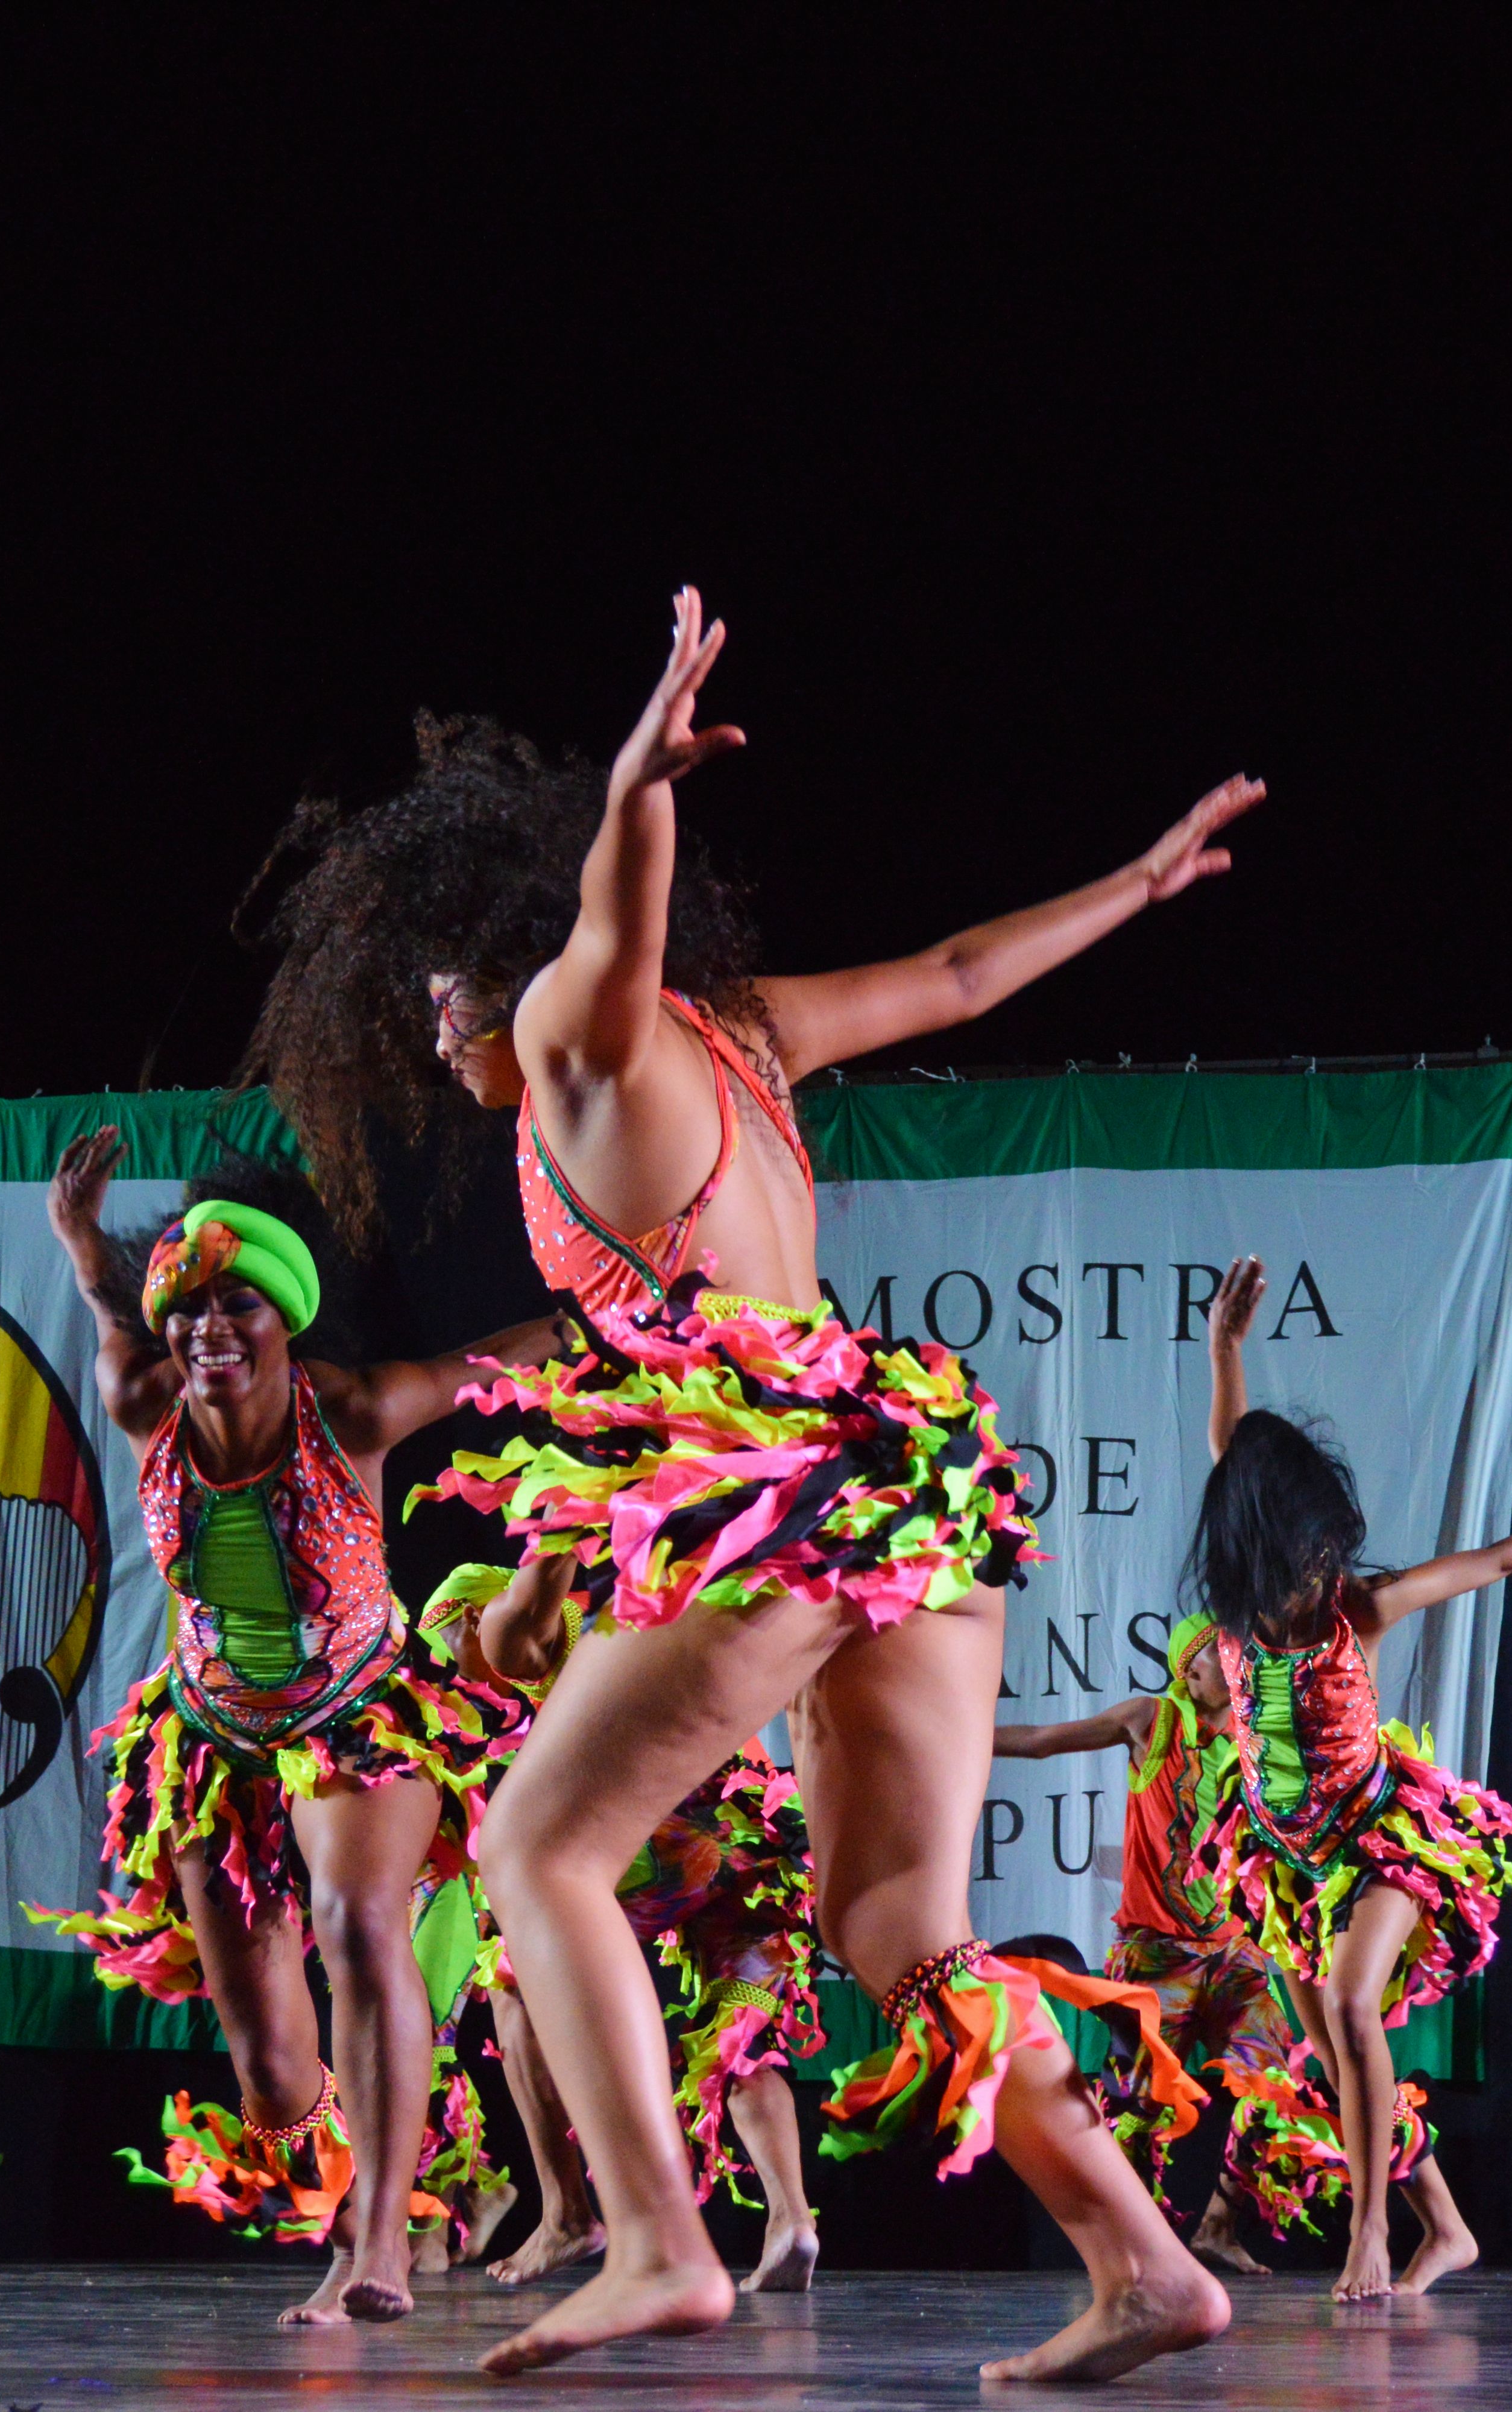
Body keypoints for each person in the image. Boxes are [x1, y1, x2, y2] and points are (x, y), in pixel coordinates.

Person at [252, 589, 1258, 2379]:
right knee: (897, 1922)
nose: (424, 1032)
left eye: (432, 996)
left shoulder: (574, 1031)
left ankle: (652, 2238)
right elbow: (954, 973)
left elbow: (613, 927)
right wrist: (1139, 880)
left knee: (534, 1845)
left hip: (779, 1475)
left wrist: (639, 780)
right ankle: (1142, 2261)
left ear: (503, 968)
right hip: (910, 1480)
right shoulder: (754, 1035)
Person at [23, 1141, 562, 2325]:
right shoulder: (139, 1402)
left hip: (359, 1717)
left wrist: (608, 1322)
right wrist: (81, 1242)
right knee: (270, 2068)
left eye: (238, 1303)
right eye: (192, 1306)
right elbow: (118, 1313)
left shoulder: (354, 1408)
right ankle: (406, 2180)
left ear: (282, 1316)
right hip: (210, 1739)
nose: (210, 1325)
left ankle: (369, 2241)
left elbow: (499, 1361)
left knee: (358, 1923)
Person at [1197, 1255, 1512, 2299]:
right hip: (1283, 1856)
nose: (1320, 1566)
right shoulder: (1245, 1621)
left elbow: (1497, 1562)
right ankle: (1447, 2229)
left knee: (1347, 2006)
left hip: (1379, 1838)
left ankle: (1370, 2233)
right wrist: (1224, 1351)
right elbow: (1227, 1453)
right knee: (1331, 2057)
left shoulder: (1358, 1611)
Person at [436, 1555, 824, 2296]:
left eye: (449, 1636)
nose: (454, 1661)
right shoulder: (631, 1637)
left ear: (465, 1616)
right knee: (738, 2039)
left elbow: (531, 1596)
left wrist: (561, 1511)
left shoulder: (515, 1638)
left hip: (668, 1836)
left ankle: (566, 2213)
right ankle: (791, 2220)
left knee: (514, 1974)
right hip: (753, 1833)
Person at [991, 1611, 1326, 2273]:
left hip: (1236, 1954)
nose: (1206, 1670)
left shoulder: (1261, 1739)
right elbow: (1041, 1739)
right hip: (1155, 1956)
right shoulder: (1151, 1719)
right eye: (1199, 1659)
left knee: (1275, 2084)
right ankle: (1131, 2252)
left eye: (1221, 1658)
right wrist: (950, 1735)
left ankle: (1219, 2226)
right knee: (1135, 2111)